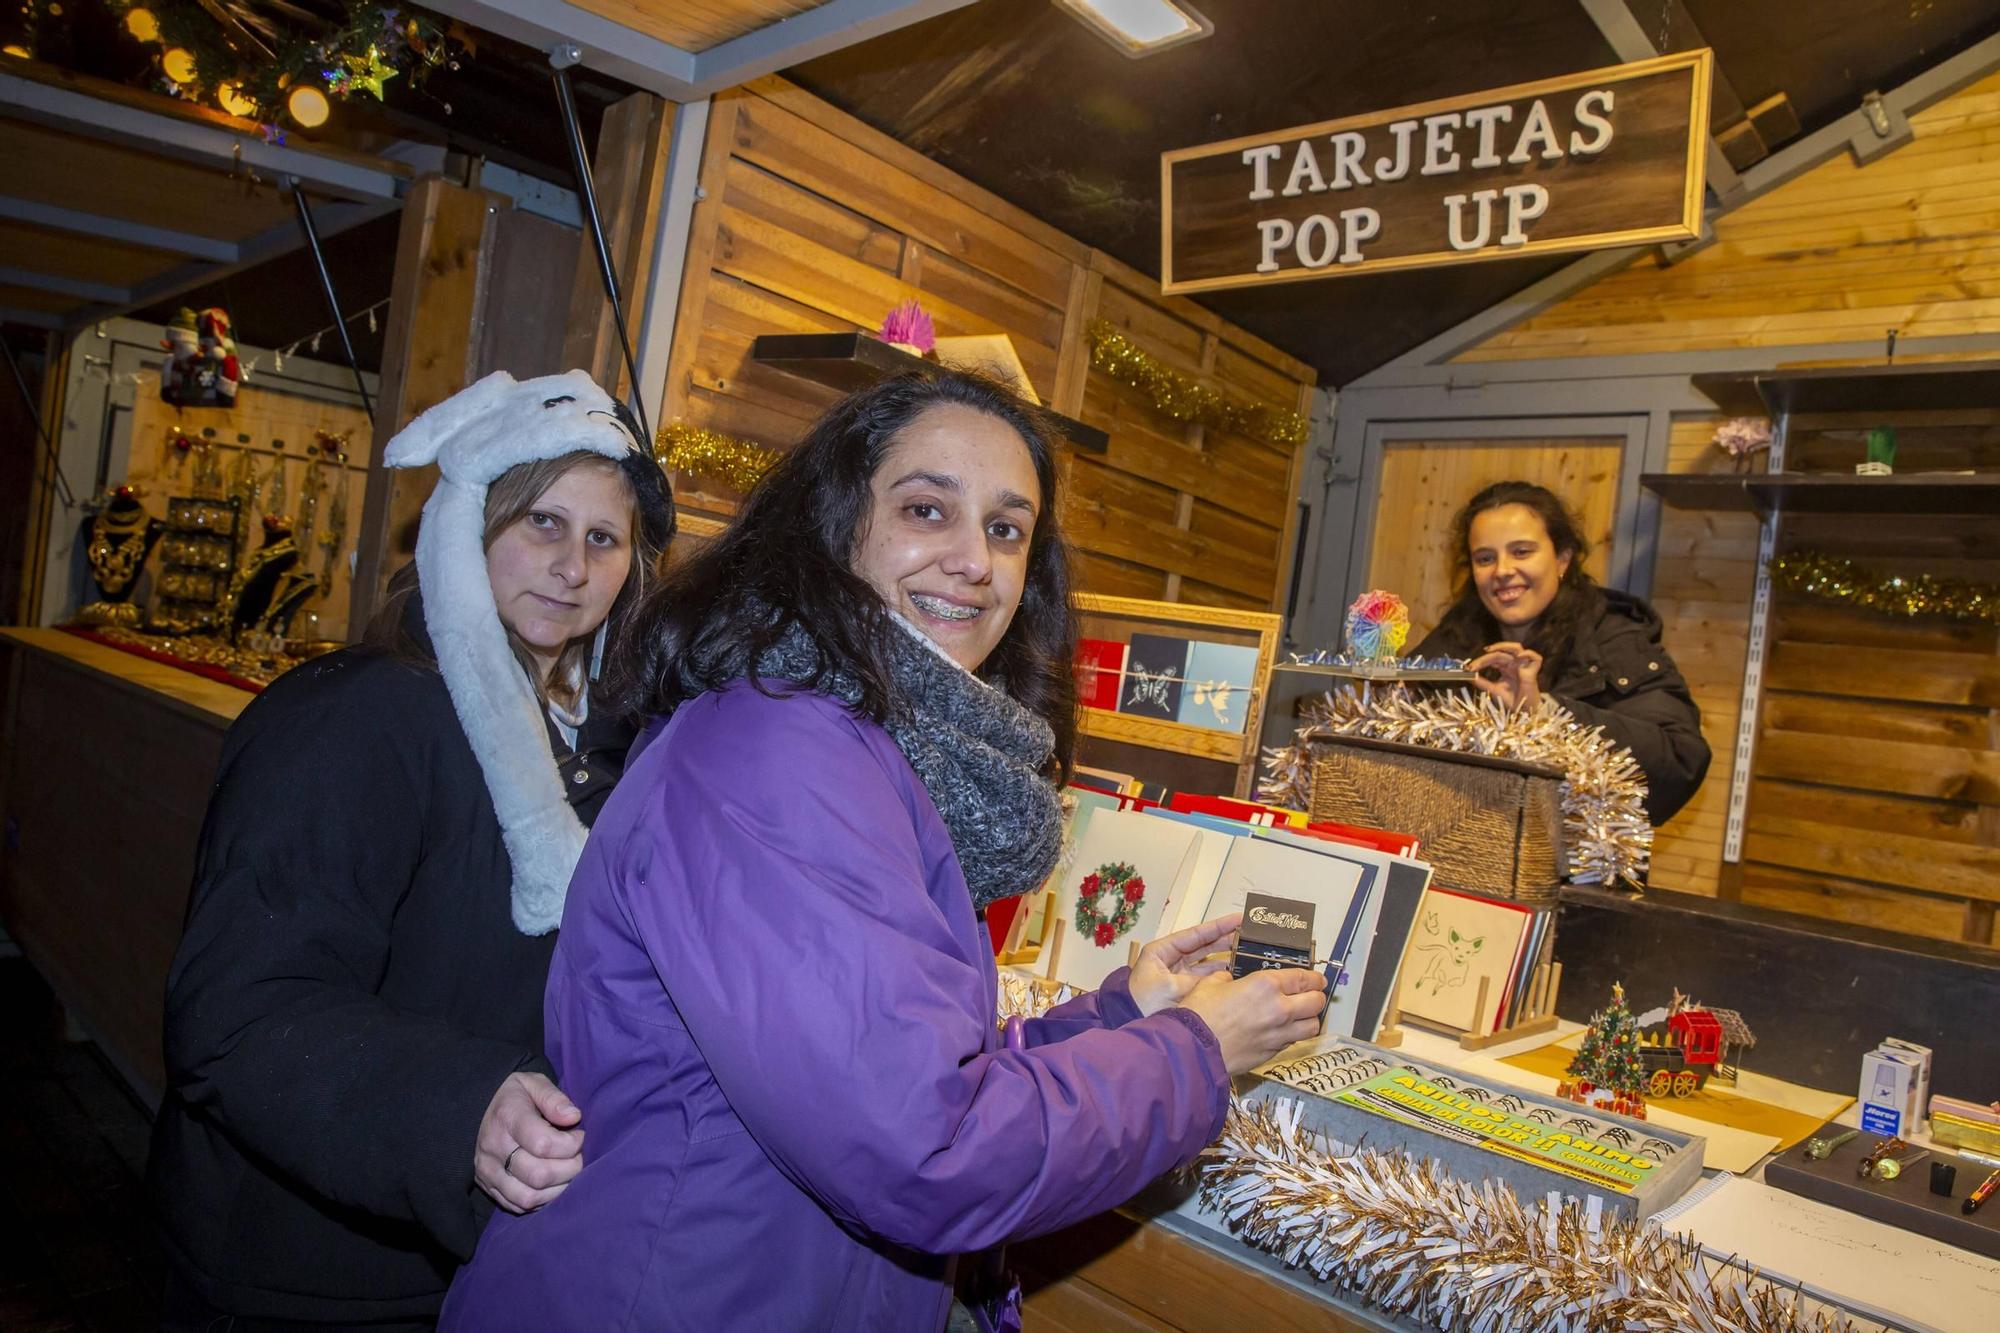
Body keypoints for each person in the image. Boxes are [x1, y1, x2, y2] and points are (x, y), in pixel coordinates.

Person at [440, 370, 1326, 1331]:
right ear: (834, 528)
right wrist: (1192, 1052)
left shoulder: (860, 741)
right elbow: (923, 1149)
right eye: (926, 508)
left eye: (1005, 528)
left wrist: (1124, 1013)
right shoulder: (774, 757)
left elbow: (904, 1064)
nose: (973, 562)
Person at [147, 370, 675, 1331]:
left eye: (604, 538)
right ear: (471, 522)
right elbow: (238, 1010)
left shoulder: (600, 747)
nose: (572, 565)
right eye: (543, 523)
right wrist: (460, 1104)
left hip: (469, 1260)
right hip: (302, 1271)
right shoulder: (354, 719)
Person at [1413, 480, 1710, 824]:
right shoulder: (1451, 641)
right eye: (1485, 558)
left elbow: (1678, 763)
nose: (1503, 571)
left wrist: (1546, 713)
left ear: (1562, 559)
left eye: (1522, 552)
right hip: (1464, 854)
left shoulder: (1613, 638)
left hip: (1575, 870)